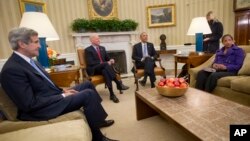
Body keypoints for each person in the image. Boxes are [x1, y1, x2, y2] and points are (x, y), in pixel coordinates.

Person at [0, 27, 118, 141]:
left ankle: (97, 119)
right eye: (36, 42)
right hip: (40, 110)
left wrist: (63, 91)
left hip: (51, 97)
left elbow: (47, 84)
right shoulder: (12, 69)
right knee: (87, 94)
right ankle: (98, 138)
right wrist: (61, 96)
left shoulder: (31, 61)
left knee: (87, 85)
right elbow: (29, 104)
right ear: (22, 44)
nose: (40, 46)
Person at [85, 33, 129, 103]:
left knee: (105, 71)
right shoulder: (88, 50)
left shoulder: (102, 48)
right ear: (92, 40)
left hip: (103, 68)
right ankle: (118, 83)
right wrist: (104, 63)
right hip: (94, 69)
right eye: (97, 39)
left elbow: (107, 58)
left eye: (99, 38)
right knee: (105, 65)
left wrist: (111, 60)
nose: (99, 40)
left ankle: (112, 94)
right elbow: (90, 63)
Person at [178, 11, 224, 78]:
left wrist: (209, 39)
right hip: (204, 48)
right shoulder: (205, 25)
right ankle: (184, 76)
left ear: (214, 16)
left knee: (206, 62)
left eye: (210, 17)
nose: (209, 19)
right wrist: (200, 39)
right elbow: (202, 34)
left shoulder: (218, 24)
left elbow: (219, 35)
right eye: (208, 18)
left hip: (213, 48)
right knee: (193, 62)